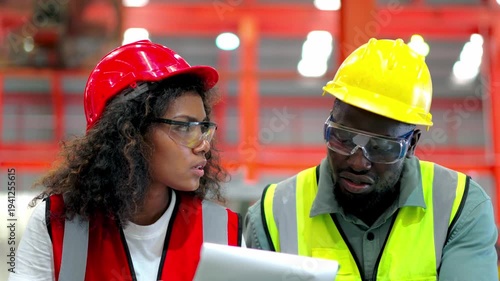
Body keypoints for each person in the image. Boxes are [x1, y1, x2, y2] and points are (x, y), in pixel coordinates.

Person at [244, 38, 498, 280]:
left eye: (380, 147)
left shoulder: (460, 208)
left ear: (412, 143)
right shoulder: (274, 214)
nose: (357, 162)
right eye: (343, 138)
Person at [9, 40, 242, 281]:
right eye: (184, 127)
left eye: (203, 127)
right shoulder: (57, 223)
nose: (204, 144)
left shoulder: (223, 229)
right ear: (130, 133)